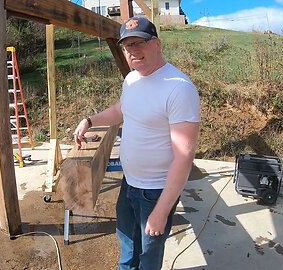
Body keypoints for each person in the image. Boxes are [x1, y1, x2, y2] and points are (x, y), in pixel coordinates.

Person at [73, 16, 200, 270]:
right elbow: (121, 110)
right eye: (128, 45)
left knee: (148, 258)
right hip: (129, 184)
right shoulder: (132, 79)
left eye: (139, 42)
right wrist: (90, 120)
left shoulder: (179, 89)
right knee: (128, 246)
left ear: (157, 44)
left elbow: (184, 156)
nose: (133, 50)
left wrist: (162, 211)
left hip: (155, 192)